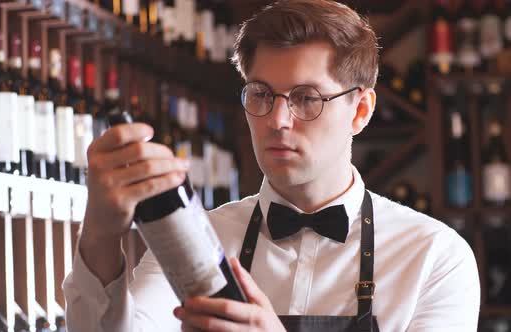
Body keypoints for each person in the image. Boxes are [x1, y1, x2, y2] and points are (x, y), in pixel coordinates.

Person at [62, 0, 481, 331]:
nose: (278, 120)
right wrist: (100, 230)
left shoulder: (433, 257)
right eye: (262, 94)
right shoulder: (199, 240)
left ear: (361, 110)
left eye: (307, 98)